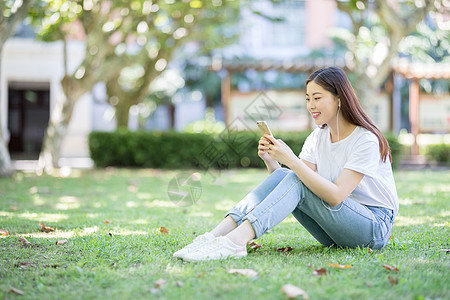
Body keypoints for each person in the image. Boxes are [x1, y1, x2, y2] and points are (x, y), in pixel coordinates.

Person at [174, 66, 399, 262]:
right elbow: (290, 184)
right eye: (308, 99)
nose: (311, 105)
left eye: (317, 98)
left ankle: (236, 241)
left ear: (339, 98)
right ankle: (215, 236)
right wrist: (272, 162)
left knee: (295, 176)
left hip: (373, 229)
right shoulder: (318, 137)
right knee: (288, 176)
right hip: (336, 228)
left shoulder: (365, 139)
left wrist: (290, 159)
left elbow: (336, 195)